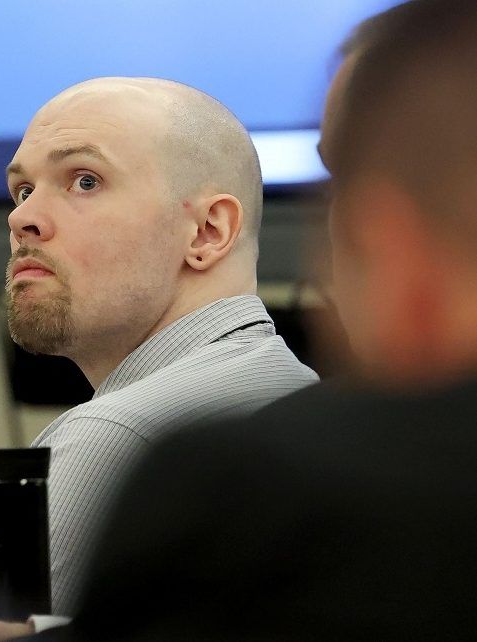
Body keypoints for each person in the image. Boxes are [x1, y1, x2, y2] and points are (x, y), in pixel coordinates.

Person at [39, 0, 477, 639]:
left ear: (391, 242)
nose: (23, 218)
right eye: (20, 190)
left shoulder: (254, 494)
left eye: (338, 176)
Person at [5, 76, 317, 613]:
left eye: (84, 181)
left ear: (207, 232)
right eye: (24, 189)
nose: (21, 219)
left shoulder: (108, 440)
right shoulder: (306, 401)